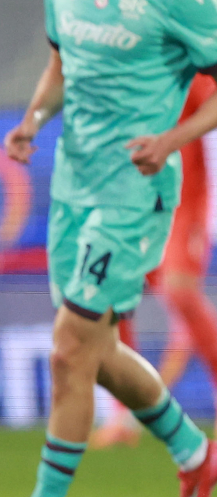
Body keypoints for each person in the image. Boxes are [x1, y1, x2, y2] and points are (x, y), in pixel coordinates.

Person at [0, 0, 217, 497]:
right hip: (73, 187)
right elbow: (59, 65)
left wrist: (172, 138)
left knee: (67, 351)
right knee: (96, 348)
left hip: (132, 195)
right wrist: (31, 120)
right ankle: (195, 454)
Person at [91, 74, 217, 448]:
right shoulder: (120, 61)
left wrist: (170, 142)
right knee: (108, 298)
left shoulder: (189, 62)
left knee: (179, 292)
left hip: (185, 203)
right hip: (135, 204)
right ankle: (123, 414)